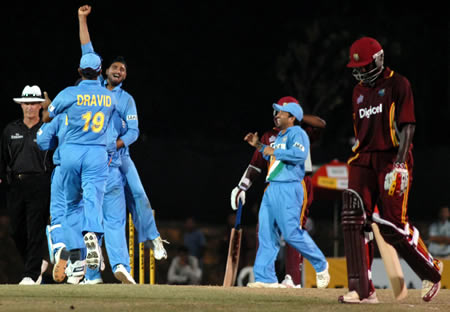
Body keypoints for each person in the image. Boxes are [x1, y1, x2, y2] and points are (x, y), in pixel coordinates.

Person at [340, 37, 443, 304]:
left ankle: (432, 270)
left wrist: (400, 164)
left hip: (391, 158)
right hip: (363, 158)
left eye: (365, 66)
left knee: (392, 226)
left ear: (379, 59)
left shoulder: (399, 84)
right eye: (357, 68)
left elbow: (408, 125)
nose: (361, 72)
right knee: (353, 218)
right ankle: (363, 289)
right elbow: (360, 131)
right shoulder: (358, 92)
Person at [78, 5, 167, 267]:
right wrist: (82, 19)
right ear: (104, 70)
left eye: (124, 70)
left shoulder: (127, 99)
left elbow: (134, 132)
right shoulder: (93, 88)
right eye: (115, 67)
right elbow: (87, 51)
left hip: (120, 157)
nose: (119, 71)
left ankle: (152, 237)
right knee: (98, 207)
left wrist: (115, 145)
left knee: (139, 195)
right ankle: (95, 260)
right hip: (97, 160)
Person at [41, 46, 124, 283]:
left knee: (70, 207)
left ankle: (75, 258)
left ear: (79, 70)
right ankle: (92, 236)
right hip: (96, 153)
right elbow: (119, 126)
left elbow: (47, 119)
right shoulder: (109, 97)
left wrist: (48, 106)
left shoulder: (68, 93)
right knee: (93, 201)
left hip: (69, 155)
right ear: (100, 72)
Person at [231, 96, 326, 287]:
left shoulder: (302, 131)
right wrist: (242, 187)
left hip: (297, 182)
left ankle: (294, 278)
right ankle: (266, 278)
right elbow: (256, 165)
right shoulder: (268, 136)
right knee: (264, 229)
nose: (276, 115)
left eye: (281, 111)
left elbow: (321, 124)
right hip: (273, 185)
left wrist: (296, 114)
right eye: (276, 111)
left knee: (291, 230)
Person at [0, 85, 53, 285]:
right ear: (21, 105)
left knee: (35, 229)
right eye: (26, 104)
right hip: (16, 184)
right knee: (15, 230)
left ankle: (31, 274)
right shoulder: (10, 130)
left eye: (33, 104)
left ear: (40, 106)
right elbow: (3, 158)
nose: (29, 108)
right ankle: (37, 263)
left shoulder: (47, 129)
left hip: (40, 183)